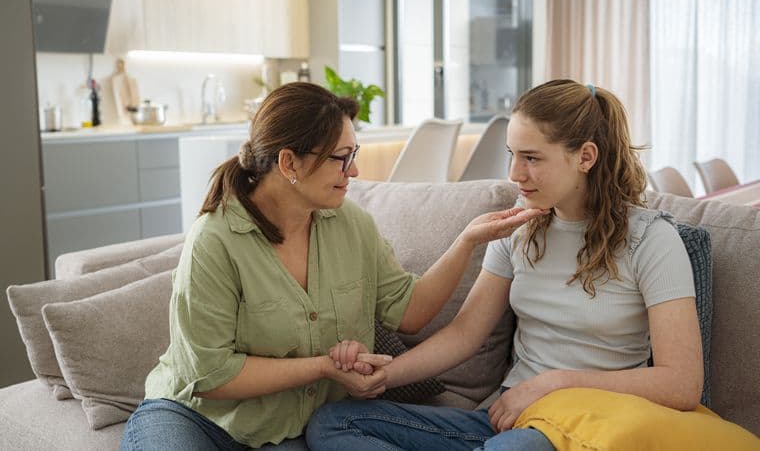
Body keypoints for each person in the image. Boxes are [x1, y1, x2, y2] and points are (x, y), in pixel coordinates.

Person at [120, 82, 547, 450]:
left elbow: (410, 311)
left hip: (283, 429)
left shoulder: (350, 224)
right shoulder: (214, 240)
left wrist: (466, 240)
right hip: (193, 416)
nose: (355, 170)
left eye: (353, 153)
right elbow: (210, 375)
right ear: (289, 163)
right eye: (341, 157)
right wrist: (325, 366)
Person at [306, 79, 703, 451]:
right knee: (333, 423)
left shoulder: (651, 240)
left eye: (531, 158)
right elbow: (464, 334)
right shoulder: (519, 226)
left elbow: (682, 383)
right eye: (513, 155)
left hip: (588, 428)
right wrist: (384, 376)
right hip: (506, 422)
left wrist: (554, 384)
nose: (515, 175)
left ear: (585, 157)